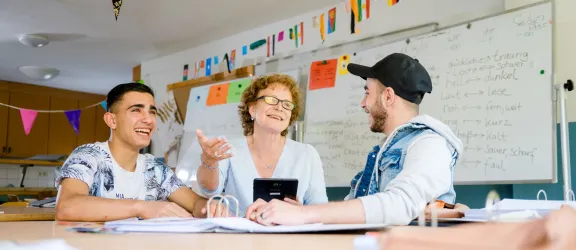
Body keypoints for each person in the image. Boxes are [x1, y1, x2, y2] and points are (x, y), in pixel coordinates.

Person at [245, 53, 463, 226]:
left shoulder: (430, 144)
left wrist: (305, 214)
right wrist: (298, 212)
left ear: (387, 96)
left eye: (367, 92)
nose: (362, 102)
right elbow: (355, 211)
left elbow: (399, 205)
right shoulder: (382, 152)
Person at [55, 82, 224, 222]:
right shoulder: (88, 156)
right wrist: (142, 207)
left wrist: (211, 207)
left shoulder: (155, 169)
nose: (149, 120)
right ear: (111, 120)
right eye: (136, 110)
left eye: (152, 112)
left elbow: (195, 203)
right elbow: (66, 207)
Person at [193, 73, 328, 216]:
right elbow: (209, 190)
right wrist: (209, 161)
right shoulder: (229, 149)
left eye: (287, 104)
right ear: (252, 109)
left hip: (290, 237)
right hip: (239, 236)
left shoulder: (307, 154)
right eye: (271, 100)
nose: (279, 108)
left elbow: (321, 211)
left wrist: (301, 213)